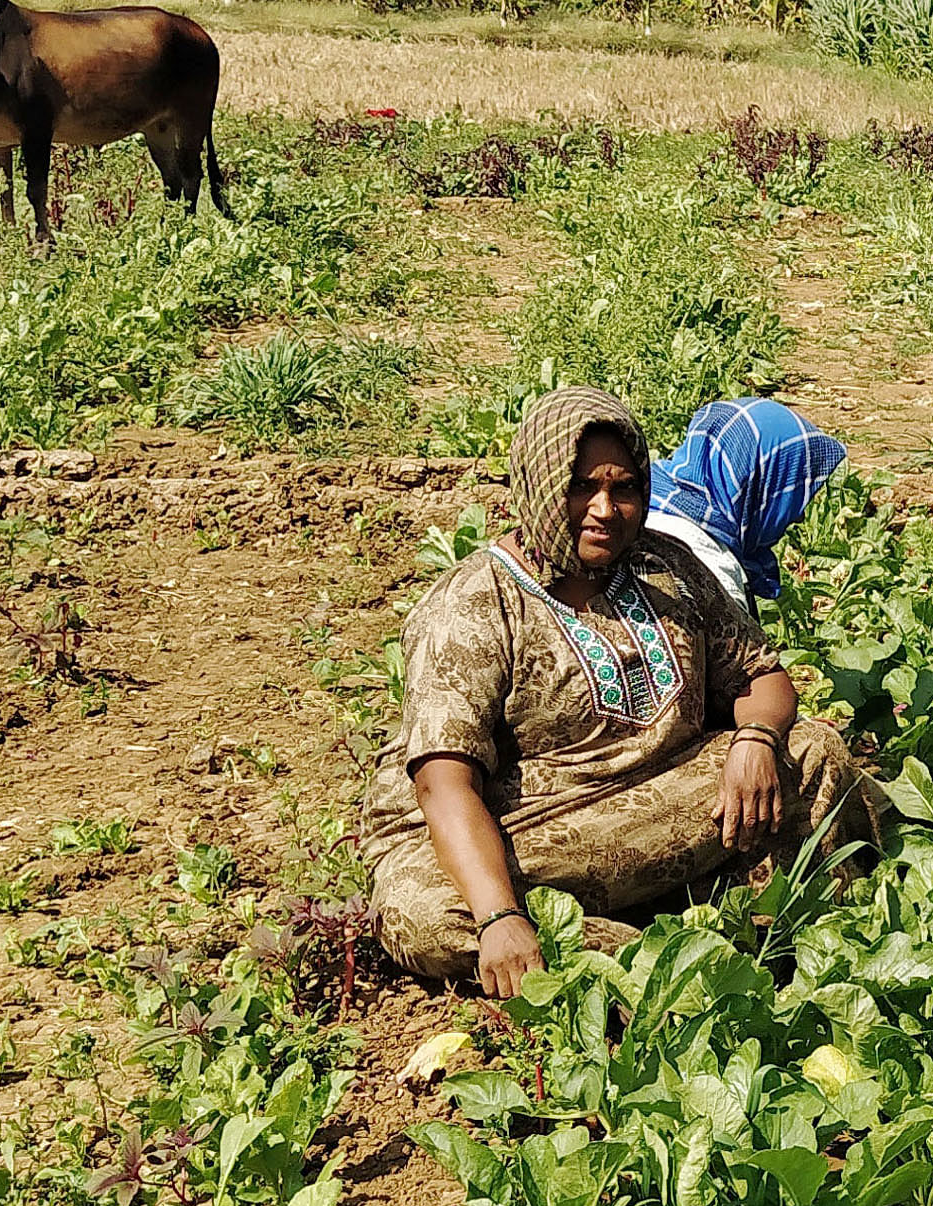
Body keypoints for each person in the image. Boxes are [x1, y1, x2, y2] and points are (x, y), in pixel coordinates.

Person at [362, 387, 880, 996]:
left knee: (810, 750)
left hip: (664, 795)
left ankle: (794, 938)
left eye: (625, 488)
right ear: (540, 483)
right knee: (418, 907)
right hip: (526, 830)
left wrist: (757, 739)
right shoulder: (475, 604)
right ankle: (660, 966)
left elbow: (761, 676)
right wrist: (500, 916)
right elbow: (442, 783)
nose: (605, 508)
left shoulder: (668, 566)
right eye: (582, 486)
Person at [646, 397, 848, 615]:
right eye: (788, 496)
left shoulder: (644, 505)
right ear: (757, 486)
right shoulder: (715, 579)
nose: (798, 517)